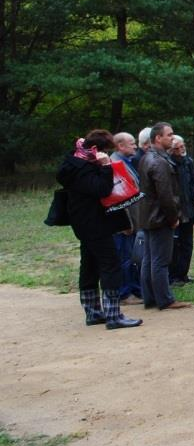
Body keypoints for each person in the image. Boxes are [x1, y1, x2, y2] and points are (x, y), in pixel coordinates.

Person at [56, 130, 141, 329]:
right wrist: (105, 167)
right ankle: (113, 315)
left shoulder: (74, 161)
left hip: (82, 221)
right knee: (110, 264)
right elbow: (102, 189)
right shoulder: (85, 167)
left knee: (90, 264)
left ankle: (93, 312)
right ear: (98, 150)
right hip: (95, 222)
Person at [137, 122, 192, 311]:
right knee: (160, 259)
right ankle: (165, 299)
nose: (173, 137)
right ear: (158, 138)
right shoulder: (159, 162)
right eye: (169, 134)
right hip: (159, 217)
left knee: (149, 258)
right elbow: (166, 195)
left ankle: (150, 297)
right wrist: (173, 217)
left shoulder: (146, 158)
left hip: (147, 215)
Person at [110, 132, 142, 304]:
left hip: (132, 220)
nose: (135, 146)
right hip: (124, 223)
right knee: (124, 258)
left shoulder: (127, 162)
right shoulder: (115, 164)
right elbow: (118, 197)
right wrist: (126, 222)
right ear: (120, 146)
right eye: (131, 143)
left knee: (131, 256)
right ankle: (124, 294)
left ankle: (135, 290)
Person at [168, 136, 194, 285]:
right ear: (171, 150)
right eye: (178, 148)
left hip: (189, 209)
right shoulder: (168, 164)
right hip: (175, 211)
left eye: (183, 146)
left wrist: (193, 194)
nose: (182, 149)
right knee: (174, 245)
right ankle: (174, 276)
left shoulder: (188, 162)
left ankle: (183, 274)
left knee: (187, 244)